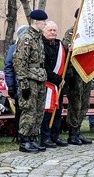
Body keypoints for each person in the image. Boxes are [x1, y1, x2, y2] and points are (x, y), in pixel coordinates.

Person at [14, 9, 49, 153]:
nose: (45, 24)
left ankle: (33, 138)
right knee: (28, 109)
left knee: (38, 110)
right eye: (43, 22)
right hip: (29, 78)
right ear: (36, 21)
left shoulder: (39, 38)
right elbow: (19, 62)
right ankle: (24, 139)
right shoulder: (26, 38)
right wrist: (24, 83)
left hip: (40, 77)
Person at [62, 10, 92, 145]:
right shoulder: (71, 33)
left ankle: (78, 130)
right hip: (74, 74)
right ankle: (72, 133)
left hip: (86, 73)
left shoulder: (90, 34)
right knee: (75, 104)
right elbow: (66, 51)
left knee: (84, 104)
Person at [39, 21, 68, 148]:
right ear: (44, 31)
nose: (52, 33)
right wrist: (56, 79)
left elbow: (66, 63)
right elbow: (44, 66)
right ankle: (45, 137)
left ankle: (55, 136)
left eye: (54, 30)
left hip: (58, 85)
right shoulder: (41, 45)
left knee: (58, 111)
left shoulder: (60, 45)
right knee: (47, 113)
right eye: (50, 30)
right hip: (47, 84)